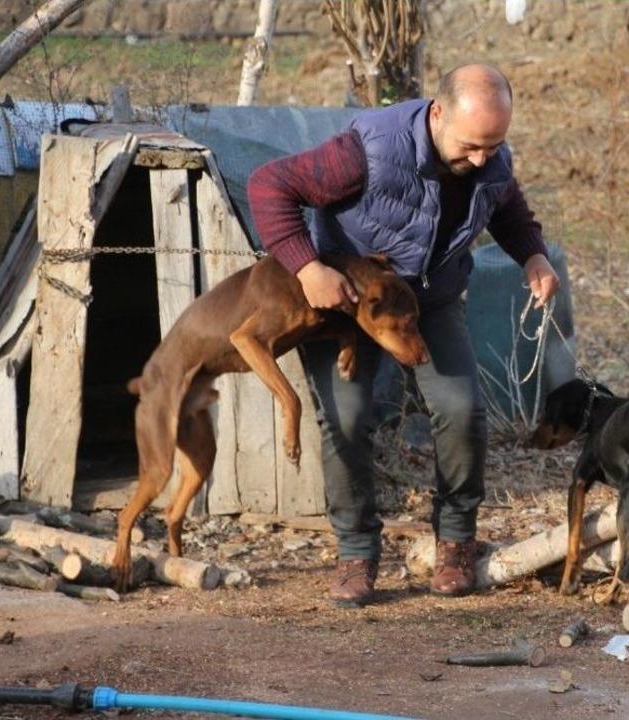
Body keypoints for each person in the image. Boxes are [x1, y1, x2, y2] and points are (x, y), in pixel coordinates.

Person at [247, 64, 560, 606]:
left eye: (495, 144)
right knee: (344, 418)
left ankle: (456, 541)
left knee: (461, 410)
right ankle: (356, 551)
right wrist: (306, 267)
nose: (483, 159)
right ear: (438, 114)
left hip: (428, 303)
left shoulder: (491, 162)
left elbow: (508, 210)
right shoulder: (368, 151)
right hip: (351, 304)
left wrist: (533, 255)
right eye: (472, 146)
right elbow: (269, 185)